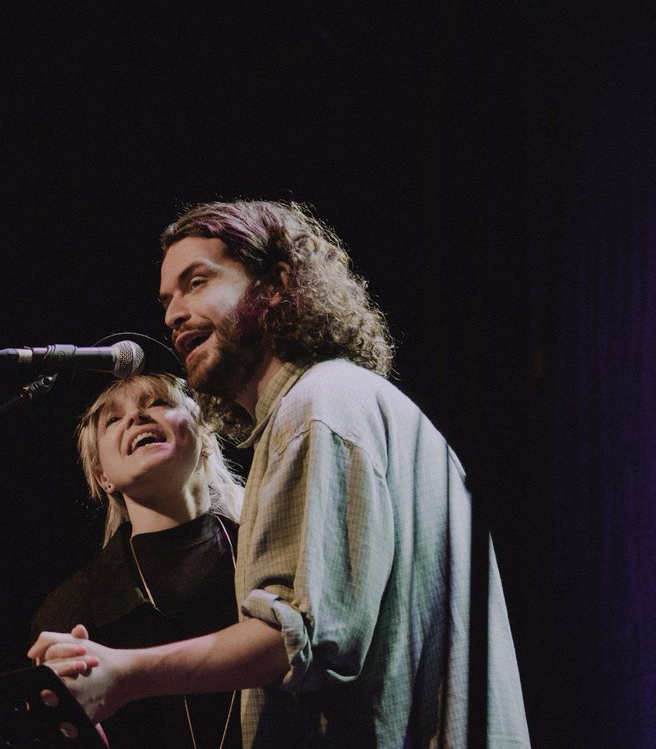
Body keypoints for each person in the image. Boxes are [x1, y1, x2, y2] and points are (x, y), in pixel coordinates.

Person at [29, 200, 530, 748]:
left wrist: (125, 675)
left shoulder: (314, 409)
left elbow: (297, 638)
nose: (173, 315)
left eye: (196, 282)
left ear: (274, 286)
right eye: (167, 300)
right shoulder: (333, 403)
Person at [31, 356, 246, 749]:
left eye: (159, 403)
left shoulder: (266, 549)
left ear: (205, 441)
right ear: (103, 477)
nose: (136, 418)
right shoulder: (69, 610)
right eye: (113, 419)